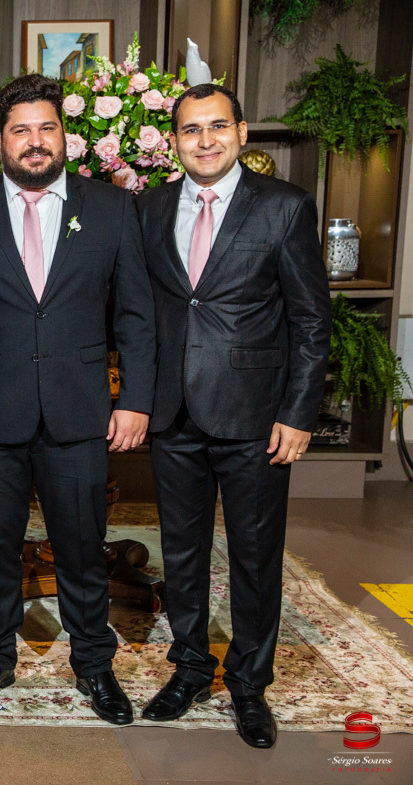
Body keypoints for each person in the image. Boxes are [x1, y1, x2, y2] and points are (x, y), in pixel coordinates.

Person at [0, 73, 156, 725]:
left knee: (82, 547)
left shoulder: (112, 209)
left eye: (45, 128)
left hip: (78, 412)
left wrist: (136, 399)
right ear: (0, 141)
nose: (34, 142)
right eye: (20, 130)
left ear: (65, 136)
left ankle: (94, 664)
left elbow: (136, 315)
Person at [135, 83, 330, 748]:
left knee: (254, 556)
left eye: (218, 126)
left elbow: (311, 320)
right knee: (181, 553)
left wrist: (298, 413)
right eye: (191, 130)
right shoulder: (150, 208)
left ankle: (248, 685)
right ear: (174, 141)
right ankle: (190, 668)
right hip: (174, 413)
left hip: (256, 416)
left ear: (242, 133)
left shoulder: (284, 207)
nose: (206, 140)